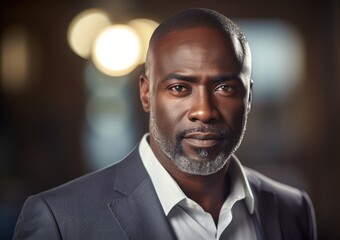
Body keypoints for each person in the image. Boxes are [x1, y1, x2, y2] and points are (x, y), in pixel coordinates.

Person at [13, 8, 316, 240]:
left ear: (248, 96)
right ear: (146, 93)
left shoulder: (293, 210)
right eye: (180, 88)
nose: (204, 111)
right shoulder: (60, 220)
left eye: (225, 88)